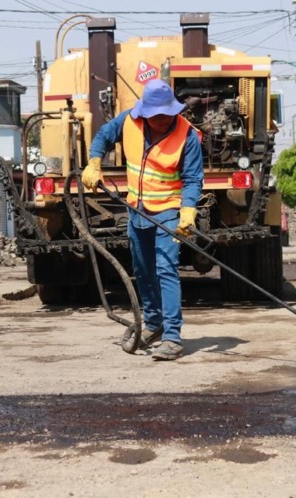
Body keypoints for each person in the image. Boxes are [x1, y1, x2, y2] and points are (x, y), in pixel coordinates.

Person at [81, 79, 204, 360]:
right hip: (137, 210)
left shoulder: (188, 136)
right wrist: (94, 161)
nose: (162, 121)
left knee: (166, 268)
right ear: (145, 112)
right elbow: (102, 136)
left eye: (167, 115)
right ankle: (153, 323)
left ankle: (172, 336)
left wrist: (188, 211)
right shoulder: (129, 121)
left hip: (169, 211)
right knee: (143, 269)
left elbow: (193, 178)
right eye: (156, 116)